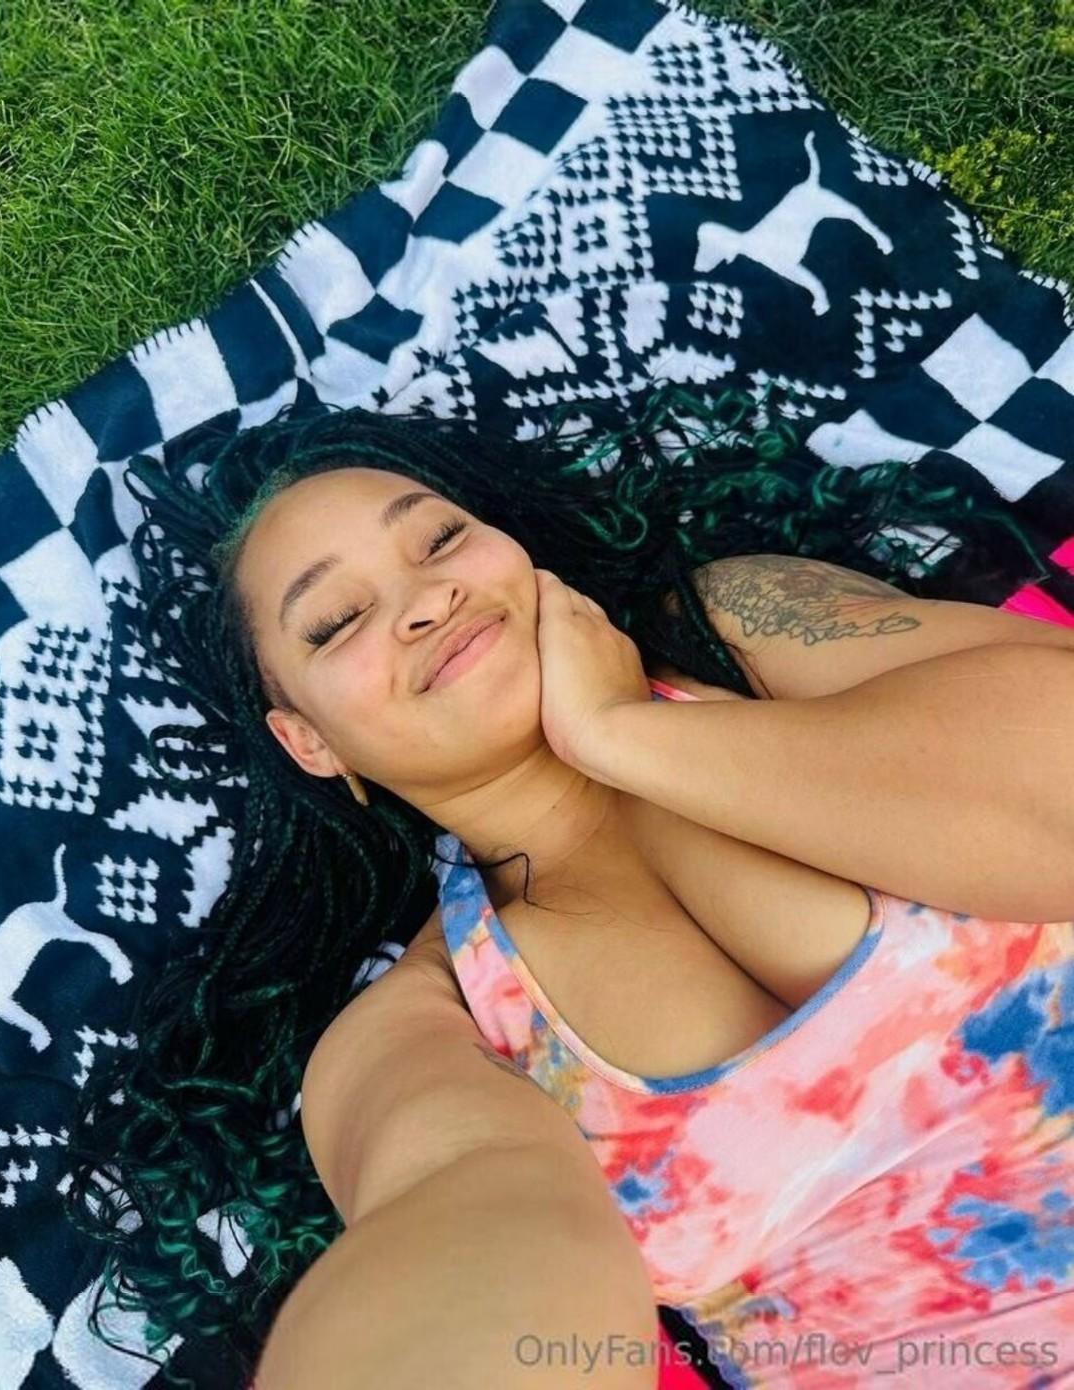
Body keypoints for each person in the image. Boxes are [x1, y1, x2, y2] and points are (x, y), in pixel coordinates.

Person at [61, 383, 1073, 1388]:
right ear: (311, 744)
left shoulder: (736, 626)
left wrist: (623, 735)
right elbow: (461, 1243)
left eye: (441, 539)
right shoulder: (425, 1025)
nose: (425, 600)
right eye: (337, 620)